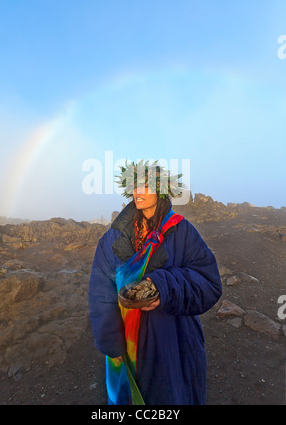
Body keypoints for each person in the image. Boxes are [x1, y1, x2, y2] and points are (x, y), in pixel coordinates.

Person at [88, 160, 222, 405]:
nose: (138, 192)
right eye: (134, 186)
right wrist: (110, 338)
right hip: (127, 342)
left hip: (174, 341)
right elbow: (101, 289)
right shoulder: (113, 238)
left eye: (145, 186)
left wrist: (165, 287)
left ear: (162, 189)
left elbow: (209, 283)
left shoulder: (182, 232)